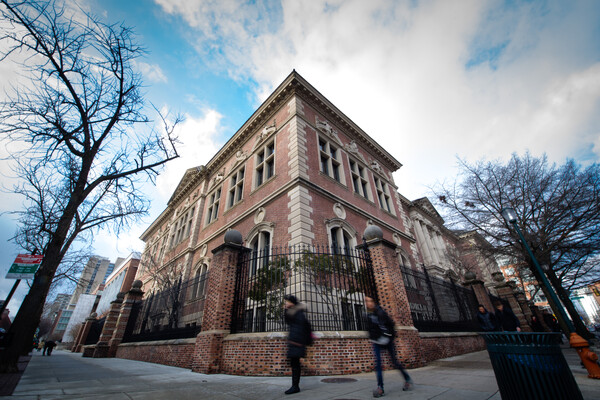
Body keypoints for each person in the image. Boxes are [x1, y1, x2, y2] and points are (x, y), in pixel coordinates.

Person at [365, 295, 413, 398]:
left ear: (374, 302)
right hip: (376, 341)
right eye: (366, 301)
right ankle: (380, 387)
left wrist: (388, 338)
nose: (368, 303)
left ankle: (407, 379)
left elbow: (391, 326)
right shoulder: (368, 315)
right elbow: (369, 328)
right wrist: (372, 337)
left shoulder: (381, 312)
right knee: (378, 364)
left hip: (387, 341)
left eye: (370, 301)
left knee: (394, 362)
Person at [283, 294, 311, 395]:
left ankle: (295, 386)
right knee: (294, 364)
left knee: (295, 364)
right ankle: (295, 385)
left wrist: (298, 341)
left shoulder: (298, 313)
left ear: (291, 302)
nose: (285, 303)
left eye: (286, 301)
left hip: (296, 342)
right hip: (294, 341)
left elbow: (301, 327)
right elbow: (288, 321)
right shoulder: (292, 312)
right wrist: (286, 309)